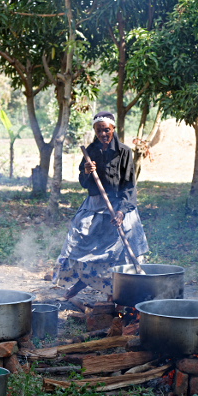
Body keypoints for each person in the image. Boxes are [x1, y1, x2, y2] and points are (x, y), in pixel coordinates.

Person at [52, 111, 148, 300]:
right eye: (98, 131)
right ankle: (79, 284)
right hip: (95, 206)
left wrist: (121, 212)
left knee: (121, 253)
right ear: (94, 131)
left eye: (106, 130)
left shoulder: (124, 152)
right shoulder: (90, 151)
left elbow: (129, 186)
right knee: (79, 244)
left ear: (113, 129)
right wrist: (87, 172)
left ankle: (118, 294)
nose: (103, 134)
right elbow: (84, 182)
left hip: (120, 207)